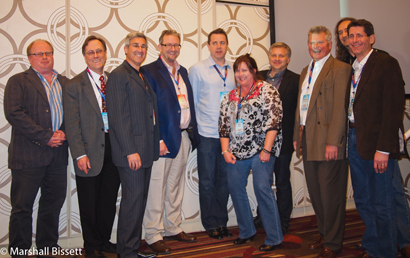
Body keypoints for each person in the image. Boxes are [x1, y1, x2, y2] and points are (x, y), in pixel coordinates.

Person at [335, 17, 410, 258]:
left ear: (371, 38)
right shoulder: (352, 67)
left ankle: (388, 251)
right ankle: (374, 246)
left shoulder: (385, 63)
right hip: (354, 140)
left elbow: (392, 109)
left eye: (359, 36)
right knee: (364, 200)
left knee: (383, 201)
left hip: (377, 144)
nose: (354, 40)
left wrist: (384, 150)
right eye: (350, 36)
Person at [4, 39, 69, 257]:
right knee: (22, 209)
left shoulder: (66, 82)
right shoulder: (18, 81)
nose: (44, 57)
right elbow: (15, 114)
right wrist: (46, 136)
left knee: (52, 205)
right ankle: (19, 251)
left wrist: (63, 133)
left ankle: (47, 247)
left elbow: (75, 115)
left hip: (58, 156)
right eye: (38, 54)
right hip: (28, 157)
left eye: (47, 53)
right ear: (29, 58)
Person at [293, 26, 351, 258]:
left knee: (331, 195)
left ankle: (334, 244)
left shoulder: (340, 69)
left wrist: (334, 142)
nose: (314, 47)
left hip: (328, 142)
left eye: (319, 43)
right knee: (316, 194)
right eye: (311, 43)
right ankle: (324, 234)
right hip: (308, 139)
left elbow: (339, 108)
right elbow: (302, 106)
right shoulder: (306, 70)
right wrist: (298, 137)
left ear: (329, 44)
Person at [141, 29, 200, 255]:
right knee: (157, 187)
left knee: (175, 186)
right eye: (168, 45)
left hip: (183, 136)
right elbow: (150, 109)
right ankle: (153, 234)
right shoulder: (149, 71)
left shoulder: (182, 71)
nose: (173, 49)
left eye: (176, 45)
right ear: (160, 47)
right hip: (162, 140)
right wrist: (158, 139)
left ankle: (173, 226)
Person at [219, 54, 283, 252]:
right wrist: (225, 151)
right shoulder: (230, 96)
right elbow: (223, 126)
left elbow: (274, 121)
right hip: (237, 152)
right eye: (237, 70)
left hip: (262, 150)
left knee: (262, 189)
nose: (240, 74)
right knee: (236, 189)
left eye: (244, 70)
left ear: (254, 71)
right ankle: (246, 232)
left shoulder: (266, 90)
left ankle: (274, 237)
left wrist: (267, 149)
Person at [63, 36, 120, 258]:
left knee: (108, 199)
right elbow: (72, 123)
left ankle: (104, 240)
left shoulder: (114, 81)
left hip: (113, 151)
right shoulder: (74, 85)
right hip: (88, 153)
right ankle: (91, 246)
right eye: (91, 52)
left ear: (105, 53)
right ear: (85, 56)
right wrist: (79, 154)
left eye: (99, 51)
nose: (96, 56)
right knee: (89, 203)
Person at [105, 32, 159, 258]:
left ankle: (132, 249)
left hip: (145, 151)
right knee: (132, 204)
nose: (140, 49)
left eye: (144, 46)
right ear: (126, 49)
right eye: (135, 45)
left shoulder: (141, 74)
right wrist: (131, 151)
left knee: (138, 203)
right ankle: (126, 253)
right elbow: (118, 118)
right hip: (132, 154)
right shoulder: (119, 75)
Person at [188, 28, 235, 240]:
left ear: (227, 45)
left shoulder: (235, 69)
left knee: (224, 181)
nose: (218, 46)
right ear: (208, 46)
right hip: (207, 134)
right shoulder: (197, 69)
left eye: (222, 42)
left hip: (229, 137)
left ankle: (222, 221)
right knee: (207, 181)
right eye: (214, 42)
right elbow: (193, 102)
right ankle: (210, 223)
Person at [255, 42, 299, 235]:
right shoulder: (259, 77)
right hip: (260, 140)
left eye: (282, 56)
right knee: (262, 181)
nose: (277, 59)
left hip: (285, 139)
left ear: (288, 59)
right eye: (274, 55)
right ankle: (263, 216)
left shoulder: (296, 80)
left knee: (282, 181)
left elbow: (299, 113)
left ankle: (282, 220)